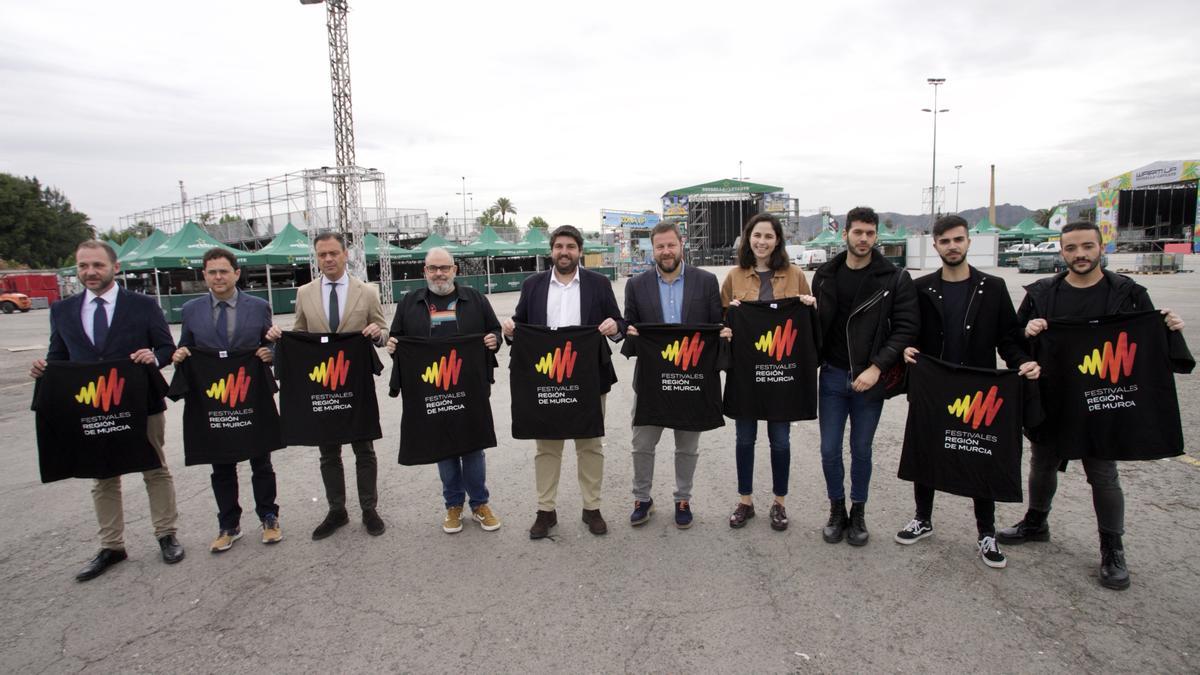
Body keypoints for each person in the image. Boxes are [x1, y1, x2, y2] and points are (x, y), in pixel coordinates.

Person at [997, 221, 1186, 590]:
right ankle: (1037, 521)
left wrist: (1170, 329)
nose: (1079, 254)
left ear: (1102, 248)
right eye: (1071, 248)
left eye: (1087, 246)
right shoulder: (1041, 294)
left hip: (1104, 399)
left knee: (1102, 472)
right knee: (1042, 461)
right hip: (1054, 394)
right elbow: (1012, 340)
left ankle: (1112, 548)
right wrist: (1026, 340)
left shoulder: (1128, 293)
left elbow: (1152, 340)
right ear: (1062, 252)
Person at [31, 240, 184, 581]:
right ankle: (111, 545)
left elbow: (166, 347)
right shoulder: (63, 310)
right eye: (83, 266)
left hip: (139, 402)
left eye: (97, 265)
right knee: (102, 476)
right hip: (92, 408)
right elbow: (59, 356)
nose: (90, 272)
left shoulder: (142, 305)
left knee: (155, 467)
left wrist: (154, 358)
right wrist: (46, 370)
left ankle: (166, 534)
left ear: (115, 268)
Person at [894, 215, 1040, 568]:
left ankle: (985, 533)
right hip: (933, 388)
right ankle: (923, 518)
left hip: (979, 388)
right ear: (935, 246)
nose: (952, 246)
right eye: (945, 241)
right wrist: (905, 349)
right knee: (926, 452)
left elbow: (1008, 336)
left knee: (980, 456)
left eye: (958, 239)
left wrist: (1022, 361)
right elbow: (906, 330)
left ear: (968, 242)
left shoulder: (992, 287)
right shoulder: (921, 287)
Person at [501, 225, 625, 539]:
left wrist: (615, 326)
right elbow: (520, 324)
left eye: (570, 246)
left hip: (589, 376)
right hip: (547, 377)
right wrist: (510, 330)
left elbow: (619, 321)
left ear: (580, 251)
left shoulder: (598, 284)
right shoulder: (533, 285)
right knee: (547, 445)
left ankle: (592, 507)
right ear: (551, 250)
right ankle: (546, 510)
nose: (564, 252)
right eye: (559, 246)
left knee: (590, 445)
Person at [811, 206, 919, 546]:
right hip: (831, 376)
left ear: (876, 236)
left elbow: (905, 328)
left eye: (870, 233)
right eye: (858, 232)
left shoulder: (893, 277)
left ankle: (858, 512)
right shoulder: (826, 274)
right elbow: (817, 325)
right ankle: (836, 509)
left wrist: (877, 367)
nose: (864, 238)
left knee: (861, 449)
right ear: (845, 234)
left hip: (869, 379)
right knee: (829, 450)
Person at [385, 247, 504, 534]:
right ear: (424, 271)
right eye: (433, 268)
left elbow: (495, 331)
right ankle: (453, 505)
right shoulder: (410, 303)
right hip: (431, 390)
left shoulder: (474, 299)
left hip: (470, 388)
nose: (439, 273)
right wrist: (392, 347)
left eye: (444, 268)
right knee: (444, 448)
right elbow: (397, 339)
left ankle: (479, 504)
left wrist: (493, 340)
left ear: (455, 270)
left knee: (473, 446)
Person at [173, 248, 283, 552]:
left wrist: (268, 354)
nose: (218, 277)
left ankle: (269, 516)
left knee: (261, 459)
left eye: (223, 271)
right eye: (212, 272)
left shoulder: (259, 307)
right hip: (215, 400)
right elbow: (185, 347)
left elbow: (268, 345)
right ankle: (228, 524)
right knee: (221, 463)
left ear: (236, 273)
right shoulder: (191, 310)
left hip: (251, 394)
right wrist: (180, 355)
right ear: (204, 275)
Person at [622, 221, 725, 529]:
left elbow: (715, 325)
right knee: (641, 444)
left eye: (671, 245)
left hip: (692, 380)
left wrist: (724, 332)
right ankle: (642, 498)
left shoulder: (706, 282)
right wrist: (629, 332)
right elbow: (630, 326)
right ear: (652, 250)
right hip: (652, 380)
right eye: (659, 247)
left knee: (687, 446)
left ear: (682, 244)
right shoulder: (636, 285)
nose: (665, 251)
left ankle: (683, 498)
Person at [720, 213, 815, 532]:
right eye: (756, 236)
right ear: (748, 239)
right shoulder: (734, 276)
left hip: (781, 375)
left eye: (769, 236)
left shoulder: (796, 274)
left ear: (778, 241)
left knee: (781, 441)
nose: (762, 242)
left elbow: (809, 323)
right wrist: (727, 325)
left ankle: (779, 502)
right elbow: (721, 320)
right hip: (747, 374)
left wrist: (809, 305)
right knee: (744, 439)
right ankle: (745, 501)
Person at [292, 232, 388, 540]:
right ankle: (337, 510)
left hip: (356, 384)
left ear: (346, 254)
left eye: (333, 253)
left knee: (364, 448)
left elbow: (384, 331)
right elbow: (299, 334)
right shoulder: (305, 293)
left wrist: (376, 332)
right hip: (323, 387)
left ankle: (369, 509)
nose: (328, 259)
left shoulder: (367, 292)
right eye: (322, 255)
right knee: (328, 451)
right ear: (317, 258)